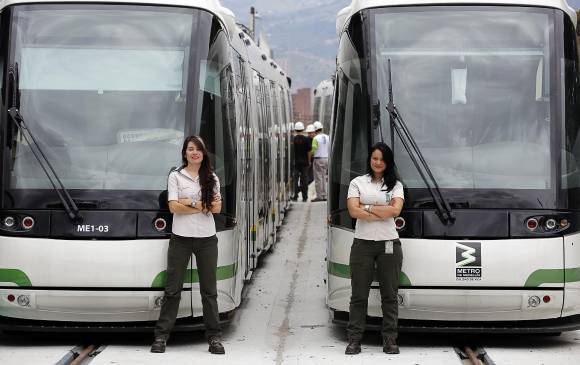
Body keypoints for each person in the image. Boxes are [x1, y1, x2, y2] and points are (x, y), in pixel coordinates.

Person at [151, 135, 225, 355]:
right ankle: (161, 336)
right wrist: (202, 205)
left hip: (207, 240)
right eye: (190, 149)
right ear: (184, 153)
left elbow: (217, 208)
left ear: (203, 153)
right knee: (173, 290)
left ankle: (214, 338)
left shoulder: (211, 177)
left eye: (198, 149)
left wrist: (189, 202)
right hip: (180, 239)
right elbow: (173, 207)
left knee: (209, 291)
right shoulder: (176, 176)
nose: (195, 153)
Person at [344, 142, 404, 355]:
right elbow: (352, 211)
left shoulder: (396, 185)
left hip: (389, 244)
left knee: (390, 294)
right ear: (370, 160)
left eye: (382, 159)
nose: (378, 163)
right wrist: (381, 211)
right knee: (359, 294)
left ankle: (390, 339)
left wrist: (366, 207)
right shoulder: (357, 182)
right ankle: (354, 339)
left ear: (387, 162)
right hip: (362, 244)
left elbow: (396, 210)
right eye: (374, 158)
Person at [292, 122, 311, 202]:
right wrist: (309, 161)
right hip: (305, 163)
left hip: (295, 163)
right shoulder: (306, 139)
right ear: (303, 129)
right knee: (304, 180)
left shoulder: (293, 139)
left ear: (295, 130)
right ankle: (305, 197)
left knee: (295, 180)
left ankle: (295, 196)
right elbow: (309, 151)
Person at [311, 121, 329, 202]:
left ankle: (319, 196)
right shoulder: (327, 137)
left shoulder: (315, 138)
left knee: (318, 178)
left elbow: (314, 149)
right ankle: (325, 195)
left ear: (315, 130)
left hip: (318, 159)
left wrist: (311, 154)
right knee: (324, 177)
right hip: (327, 159)